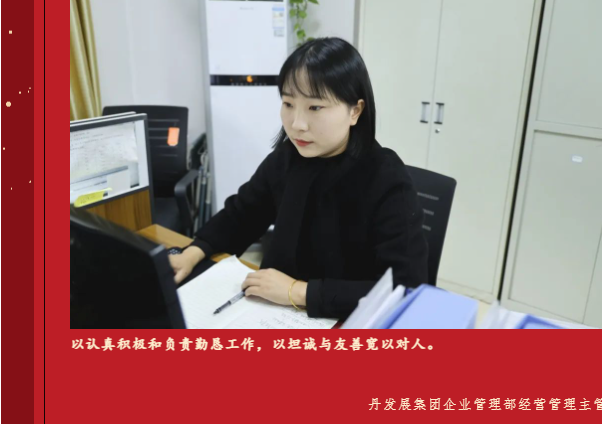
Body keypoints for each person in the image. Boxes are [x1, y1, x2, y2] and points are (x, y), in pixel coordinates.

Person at [170, 37, 428, 320]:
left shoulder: (386, 179)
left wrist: (298, 292)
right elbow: (242, 215)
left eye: (315, 107)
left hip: (342, 321)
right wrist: (193, 252)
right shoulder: (288, 157)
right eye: (288, 104)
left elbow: (404, 288)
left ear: (355, 111)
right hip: (271, 312)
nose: (297, 124)